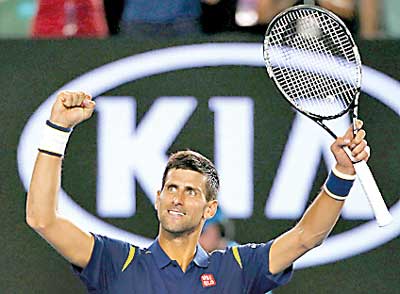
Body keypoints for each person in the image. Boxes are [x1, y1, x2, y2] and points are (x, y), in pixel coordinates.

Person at [26, 91, 370, 293]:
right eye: (171, 188)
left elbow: (306, 236)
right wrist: (58, 129)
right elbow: (42, 220)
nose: (177, 197)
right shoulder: (116, 262)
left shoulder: (236, 268)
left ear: (210, 209)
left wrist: (342, 172)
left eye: (191, 192)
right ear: (158, 197)